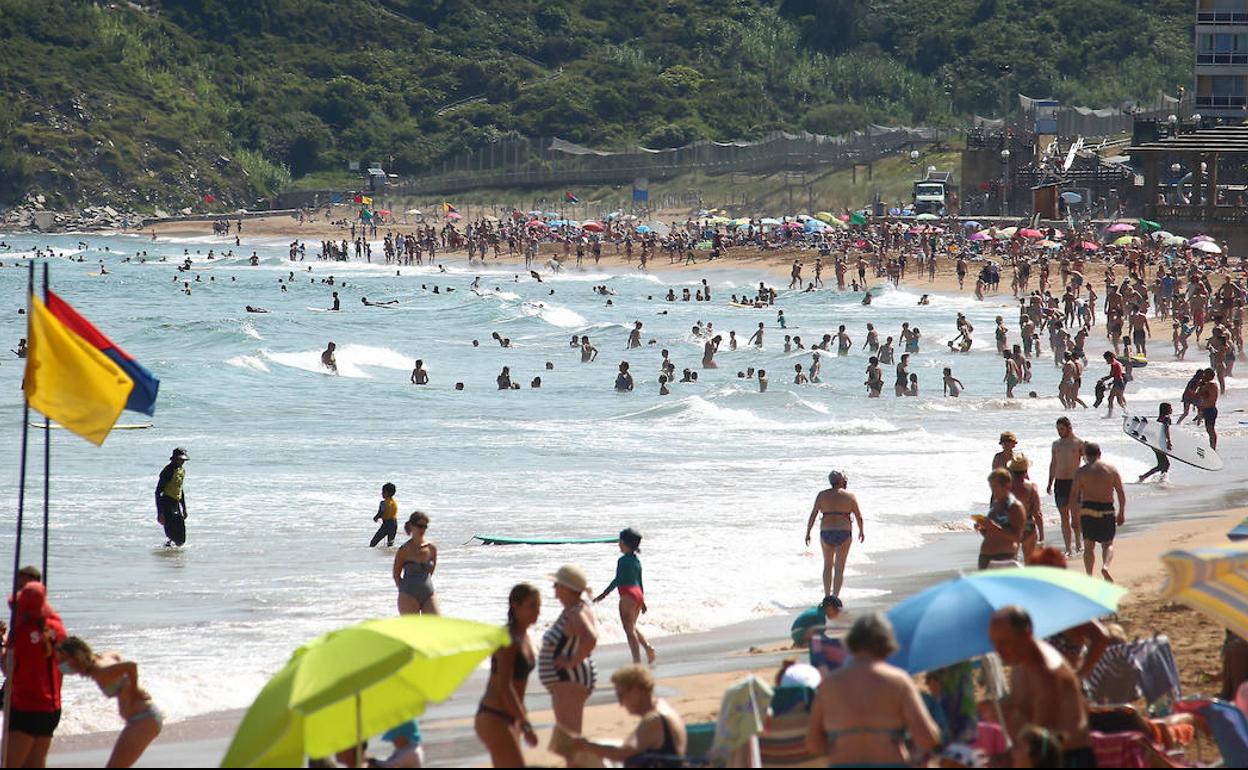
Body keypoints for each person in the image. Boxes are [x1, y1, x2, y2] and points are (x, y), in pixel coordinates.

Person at [806, 613, 940, 767]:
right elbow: (927, 738)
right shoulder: (899, 681)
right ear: (886, 643)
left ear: (851, 643)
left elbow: (813, 743)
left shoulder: (830, 684)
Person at [989, 606, 1094, 768]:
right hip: (1047, 756)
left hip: (1066, 758)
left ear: (1027, 634)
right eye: (995, 643)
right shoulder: (1021, 665)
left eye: (1004, 642)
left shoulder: (1045, 669)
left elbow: (1043, 739)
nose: (999, 651)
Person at [55, 637, 161, 768]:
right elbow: (116, 654)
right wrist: (126, 684)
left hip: (143, 719)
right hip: (143, 718)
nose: (60, 663)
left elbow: (131, 666)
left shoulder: (100, 671)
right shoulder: (101, 660)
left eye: (62, 659)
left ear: (75, 658)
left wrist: (134, 689)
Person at [475, 584, 541, 768]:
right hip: (494, 716)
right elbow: (503, 687)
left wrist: (520, 718)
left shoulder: (524, 636)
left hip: (510, 716)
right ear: (515, 605)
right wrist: (525, 723)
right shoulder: (508, 639)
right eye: (531, 605)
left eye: (539, 605)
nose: (537, 611)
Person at [4, 579, 66, 769]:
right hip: (52, 707)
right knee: (36, 762)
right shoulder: (57, 628)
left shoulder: (21, 633)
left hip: (26, 707)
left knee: (10, 763)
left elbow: (8, 669)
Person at [571, 665, 687, 766]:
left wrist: (587, 746)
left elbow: (622, 753)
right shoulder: (663, 708)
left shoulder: (654, 719)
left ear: (636, 690)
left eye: (621, 696)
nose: (621, 703)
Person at [539, 565, 599, 737]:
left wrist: (571, 662)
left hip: (569, 679)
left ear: (566, 588)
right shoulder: (578, 608)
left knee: (569, 739)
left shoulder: (575, 612)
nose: (554, 589)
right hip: (570, 679)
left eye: (556, 584)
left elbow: (590, 638)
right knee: (570, 738)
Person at [593, 528, 656, 665]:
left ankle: (637, 662)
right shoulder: (636, 561)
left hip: (628, 594)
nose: (618, 544)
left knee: (629, 630)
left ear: (624, 543)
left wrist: (604, 594)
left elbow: (618, 580)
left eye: (620, 541)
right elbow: (640, 581)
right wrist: (643, 601)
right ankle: (648, 648)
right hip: (638, 594)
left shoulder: (622, 560)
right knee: (631, 626)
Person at [804, 470, 864, 602]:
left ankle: (826, 595)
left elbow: (813, 514)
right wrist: (861, 531)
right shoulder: (850, 496)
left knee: (827, 565)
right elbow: (859, 516)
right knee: (839, 567)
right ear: (842, 481)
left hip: (826, 532)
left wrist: (808, 532)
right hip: (844, 532)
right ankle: (835, 597)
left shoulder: (822, 495)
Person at [1070, 442, 1125, 582]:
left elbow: (1073, 495)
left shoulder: (1081, 472)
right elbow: (1120, 492)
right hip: (1106, 509)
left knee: (1089, 546)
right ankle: (1105, 566)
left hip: (1088, 510)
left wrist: (1074, 517)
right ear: (1100, 453)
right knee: (1108, 544)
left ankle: (1089, 576)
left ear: (1086, 456)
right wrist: (1121, 512)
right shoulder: (1111, 470)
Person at [975, 469, 1026, 570]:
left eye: (995, 487)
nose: (993, 491)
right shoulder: (995, 505)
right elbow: (992, 533)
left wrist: (992, 527)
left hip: (1003, 558)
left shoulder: (1015, 507)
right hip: (985, 557)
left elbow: (1017, 537)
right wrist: (983, 528)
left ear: (1007, 485)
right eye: (991, 487)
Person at [1047, 417, 1084, 556]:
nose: (1059, 432)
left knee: (1075, 517)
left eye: (1061, 429)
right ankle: (1068, 547)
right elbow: (1053, 464)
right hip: (1060, 483)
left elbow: (1087, 462)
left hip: (1074, 483)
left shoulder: (1078, 443)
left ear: (1069, 427)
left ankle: (1079, 544)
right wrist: (1050, 482)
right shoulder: (1056, 444)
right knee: (1063, 516)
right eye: (1058, 429)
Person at [393, 512, 438, 615]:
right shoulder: (404, 550)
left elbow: (431, 571)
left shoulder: (431, 548)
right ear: (412, 526)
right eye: (420, 526)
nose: (422, 529)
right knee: (412, 629)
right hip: (408, 594)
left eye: (425, 527)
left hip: (428, 592)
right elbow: (396, 575)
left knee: (435, 626)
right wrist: (405, 590)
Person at [1008, 455, 1044, 556]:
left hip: (1010, 526)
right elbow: (1037, 513)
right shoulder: (1032, 487)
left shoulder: (1005, 487)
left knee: (1010, 561)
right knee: (1029, 563)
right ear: (1026, 469)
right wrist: (1042, 535)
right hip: (1028, 525)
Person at [154, 448, 189, 547]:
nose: (182, 462)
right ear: (174, 459)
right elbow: (158, 492)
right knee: (173, 533)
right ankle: (169, 556)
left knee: (181, 534)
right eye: (180, 459)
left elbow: (180, 490)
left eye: (183, 460)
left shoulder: (181, 471)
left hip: (176, 503)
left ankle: (170, 552)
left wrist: (184, 508)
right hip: (166, 502)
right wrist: (160, 512)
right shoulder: (167, 471)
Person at [1138, 403, 1174, 483]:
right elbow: (1166, 430)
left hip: (1155, 442)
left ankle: (1153, 478)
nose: (1172, 409)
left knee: (1163, 464)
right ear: (1166, 410)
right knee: (1164, 464)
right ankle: (1158, 479)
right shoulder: (1166, 418)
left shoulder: (1160, 418)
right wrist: (1168, 442)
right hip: (1159, 443)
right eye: (1170, 408)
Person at [1196, 367, 1220, 450]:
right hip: (1207, 409)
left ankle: (1213, 447)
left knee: (1210, 430)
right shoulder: (1207, 385)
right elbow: (1199, 395)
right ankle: (1212, 446)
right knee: (1209, 430)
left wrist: (1201, 385)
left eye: (1205, 375)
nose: (1203, 376)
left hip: (1210, 409)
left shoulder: (1211, 385)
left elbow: (1199, 394)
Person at [370, 482, 399, 547]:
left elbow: (381, 512)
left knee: (373, 543)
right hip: (394, 524)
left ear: (386, 493)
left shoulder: (383, 503)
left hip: (386, 525)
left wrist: (376, 517)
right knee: (390, 544)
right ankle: (388, 556)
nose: (381, 493)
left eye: (383, 492)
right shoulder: (394, 503)